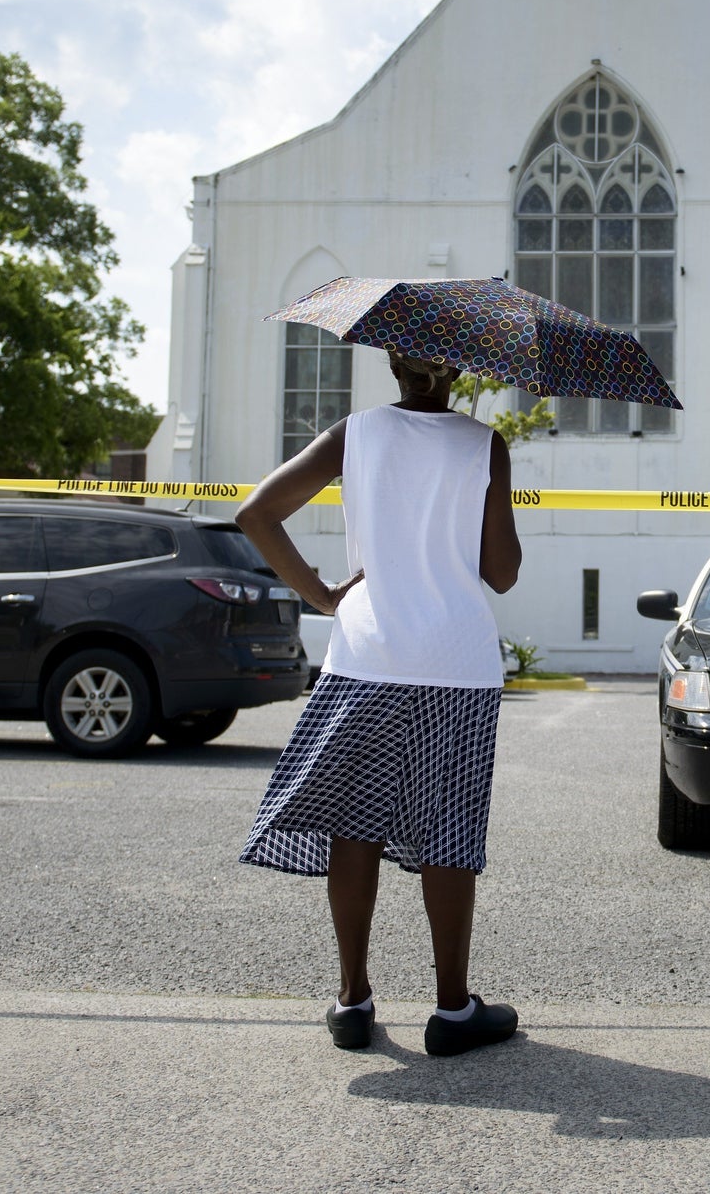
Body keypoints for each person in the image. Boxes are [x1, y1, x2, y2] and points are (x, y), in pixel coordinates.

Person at [235, 350, 523, 1057]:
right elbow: (503, 572)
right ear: (459, 368)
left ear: (393, 360)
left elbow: (257, 513)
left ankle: (352, 999)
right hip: (455, 662)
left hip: (366, 652)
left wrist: (324, 596)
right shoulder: (484, 443)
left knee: (352, 822)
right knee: (447, 828)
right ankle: (453, 1010)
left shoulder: (352, 433)